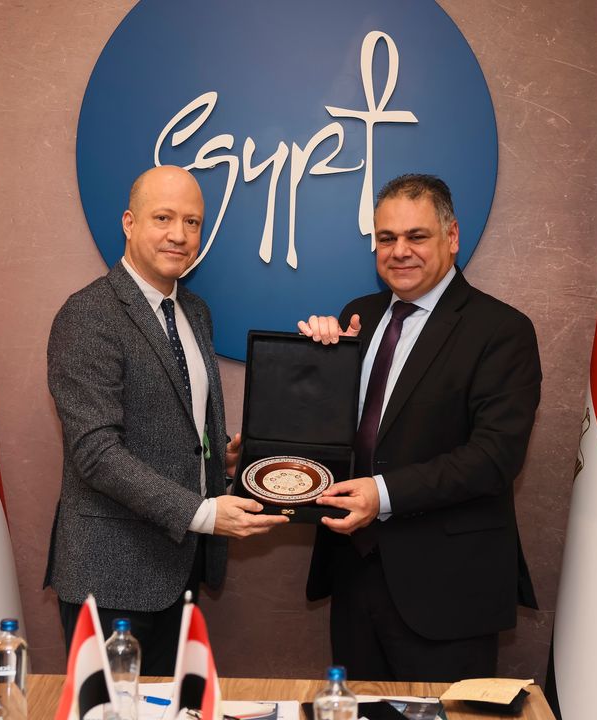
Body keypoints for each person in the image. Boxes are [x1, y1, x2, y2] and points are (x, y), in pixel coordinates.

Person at [296, 173, 541, 681]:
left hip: (447, 591)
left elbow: (494, 458)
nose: (400, 251)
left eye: (416, 236)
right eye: (386, 238)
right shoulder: (357, 318)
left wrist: (381, 494)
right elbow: (339, 433)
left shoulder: (502, 330)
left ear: (452, 237)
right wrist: (316, 366)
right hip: (353, 575)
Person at [46, 165, 288, 675]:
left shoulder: (194, 311)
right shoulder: (88, 315)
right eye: (164, 218)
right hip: (110, 577)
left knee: (173, 707)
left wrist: (216, 456)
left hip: (181, 570)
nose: (179, 234)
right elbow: (96, 453)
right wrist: (203, 512)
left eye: (192, 222)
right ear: (129, 223)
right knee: (111, 711)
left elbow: (177, 423)